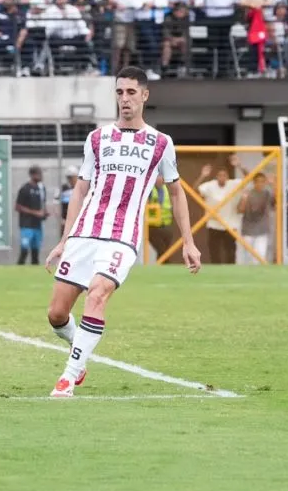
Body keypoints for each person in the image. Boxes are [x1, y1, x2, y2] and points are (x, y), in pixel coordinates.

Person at [44, 66, 201, 398]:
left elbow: (176, 193)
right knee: (57, 313)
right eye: (119, 92)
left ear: (145, 95)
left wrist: (188, 241)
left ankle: (68, 377)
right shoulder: (97, 138)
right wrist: (63, 239)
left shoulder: (161, 143)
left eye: (131, 92)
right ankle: (81, 352)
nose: (125, 99)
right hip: (86, 232)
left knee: (98, 293)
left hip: (122, 236)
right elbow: (80, 189)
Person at [196, 155, 245, 264]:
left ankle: (230, 271)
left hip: (230, 224)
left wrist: (239, 166)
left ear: (227, 176)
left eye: (224, 175)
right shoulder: (210, 185)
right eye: (219, 175)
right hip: (214, 223)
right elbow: (195, 189)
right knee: (214, 251)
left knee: (231, 251)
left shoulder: (233, 184)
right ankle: (215, 271)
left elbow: (250, 178)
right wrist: (202, 176)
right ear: (216, 176)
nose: (222, 177)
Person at [237, 172, 275, 264]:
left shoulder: (267, 193)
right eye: (258, 181)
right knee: (248, 256)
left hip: (262, 229)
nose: (260, 184)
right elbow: (239, 210)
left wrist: (273, 185)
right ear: (254, 182)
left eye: (262, 181)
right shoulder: (248, 193)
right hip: (248, 229)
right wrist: (244, 199)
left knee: (260, 256)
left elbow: (276, 203)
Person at [15, 166, 48, 265]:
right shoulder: (25, 188)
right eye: (39, 173)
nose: (41, 176)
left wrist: (44, 212)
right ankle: (18, 270)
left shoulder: (42, 188)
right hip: (26, 224)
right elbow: (18, 207)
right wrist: (35, 213)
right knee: (24, 249)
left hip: (38, 225)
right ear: (32, 175)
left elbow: (42, 204)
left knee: (35, 251)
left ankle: (34, 271)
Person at [145, 181, 175, 262]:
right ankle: (165, 268)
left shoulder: (166, 188)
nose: (160, 179)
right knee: (162, 251)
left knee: (165, 252)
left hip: (166, 225)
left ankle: (161, 269)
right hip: (153, 226)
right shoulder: (149, 189)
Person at [54, 165, 78, 235]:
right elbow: (56, 205)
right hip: (65, 220)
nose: (70, 179)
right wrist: (61, 220)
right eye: (69, 177)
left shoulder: (81, 188)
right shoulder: (61, 188)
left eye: (72, 177)